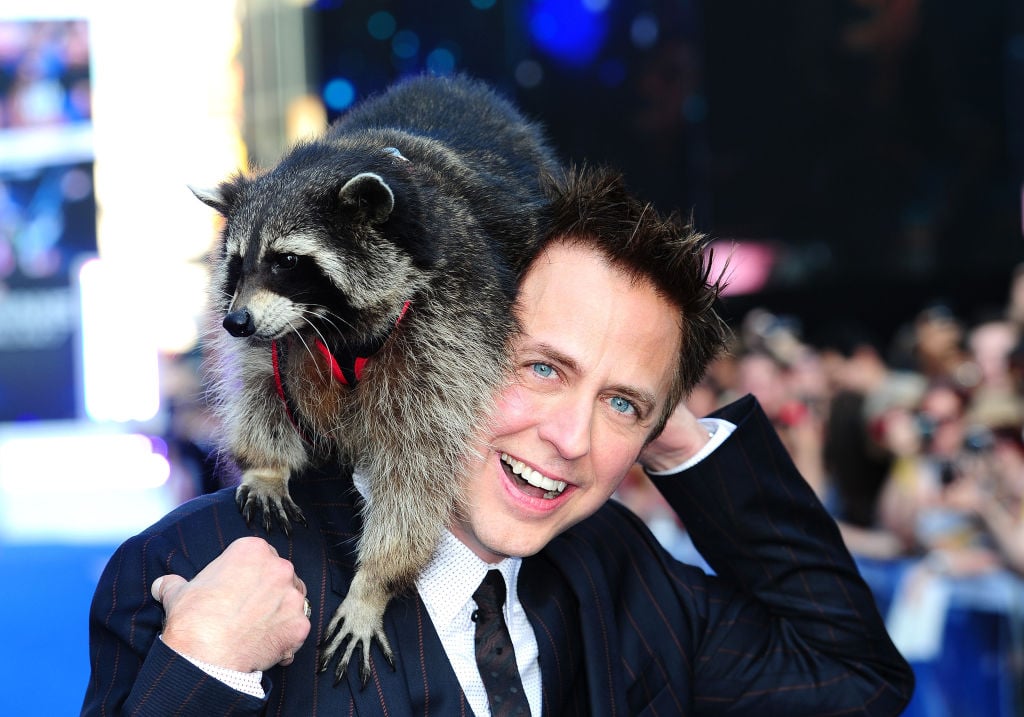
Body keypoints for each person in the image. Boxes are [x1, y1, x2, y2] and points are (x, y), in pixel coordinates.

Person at [82, 166, 914, 716]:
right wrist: (202, 669)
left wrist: (666, 430)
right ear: (447, 336)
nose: (570, 438)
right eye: (544, 369)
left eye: (621, 404)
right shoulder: (195, 569)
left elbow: (856, 676)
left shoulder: (620, 573)